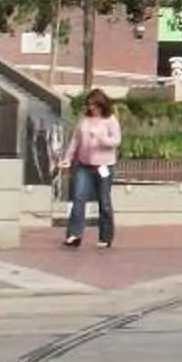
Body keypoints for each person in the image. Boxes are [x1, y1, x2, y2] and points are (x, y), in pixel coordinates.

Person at [56, 89, 121, 250]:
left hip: (104, 165)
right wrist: (68, 159)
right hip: (84, 165)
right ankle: (74, 234)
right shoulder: (84, 119)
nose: (92, 108)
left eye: (95, 105)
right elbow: (75, 140)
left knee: (104, 202)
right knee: (78, 198)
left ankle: (105, 236)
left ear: (102, 105)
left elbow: (116, 141)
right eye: (90, 105)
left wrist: (101, 138)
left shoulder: (110, 120)